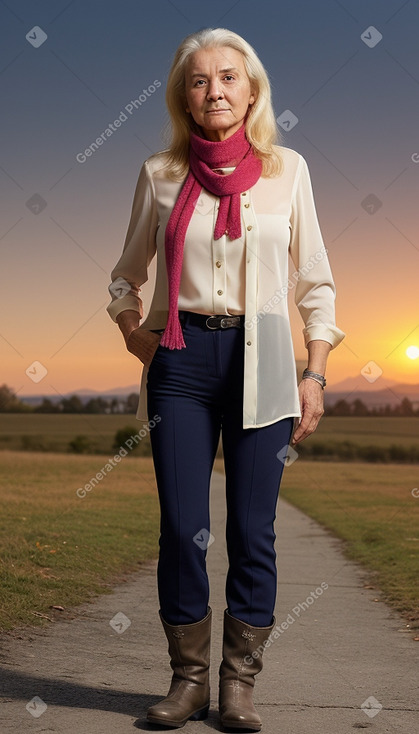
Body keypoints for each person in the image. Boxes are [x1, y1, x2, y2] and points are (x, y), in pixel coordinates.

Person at [107, 27, 345, 731]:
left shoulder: (287, 171)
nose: (215, 89)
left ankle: (237, 683)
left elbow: (316, 284)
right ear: (184, 94)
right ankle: (186, 682)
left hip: (267, 359)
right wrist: (131, 329)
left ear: (252, 89)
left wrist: (316, 373)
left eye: (229, 77)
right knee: (182, 528)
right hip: (180, 360)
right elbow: (126, 275)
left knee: (252, 529)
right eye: (199, 79)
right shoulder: (159, 173)